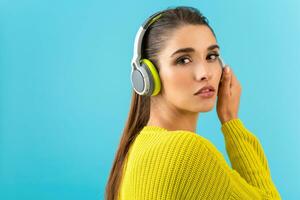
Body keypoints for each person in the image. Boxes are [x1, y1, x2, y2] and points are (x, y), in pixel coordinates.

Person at [105, 6, 281, 200]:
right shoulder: (187, 152)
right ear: (148, 76)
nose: (205, 73)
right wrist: (231, 121)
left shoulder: (138, 147)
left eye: (211, 56)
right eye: (184, 60)